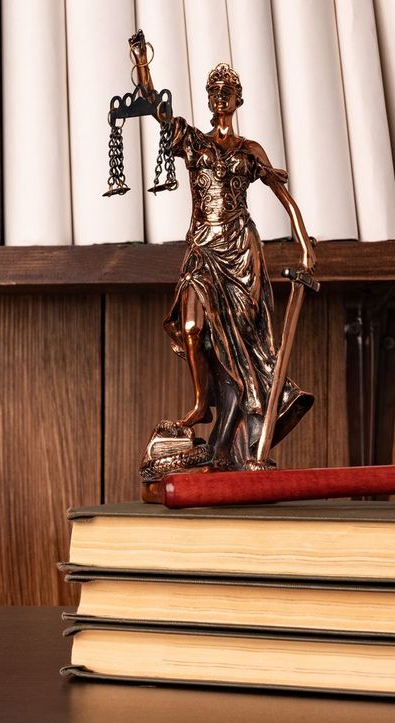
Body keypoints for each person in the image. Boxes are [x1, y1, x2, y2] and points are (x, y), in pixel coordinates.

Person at [130, 33, 316, 473]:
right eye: (213, 92)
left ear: (239, 99)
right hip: (203, 250)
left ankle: (232, 440)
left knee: (241, 346)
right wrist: (143, 67)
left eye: (226, 92)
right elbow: (158, 110)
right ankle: (200, 404)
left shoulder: (250, 151)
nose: (219, 98)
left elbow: (284, 199)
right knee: (193, 326)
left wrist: (307, 248)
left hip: (240, 253)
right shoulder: (194, 141)